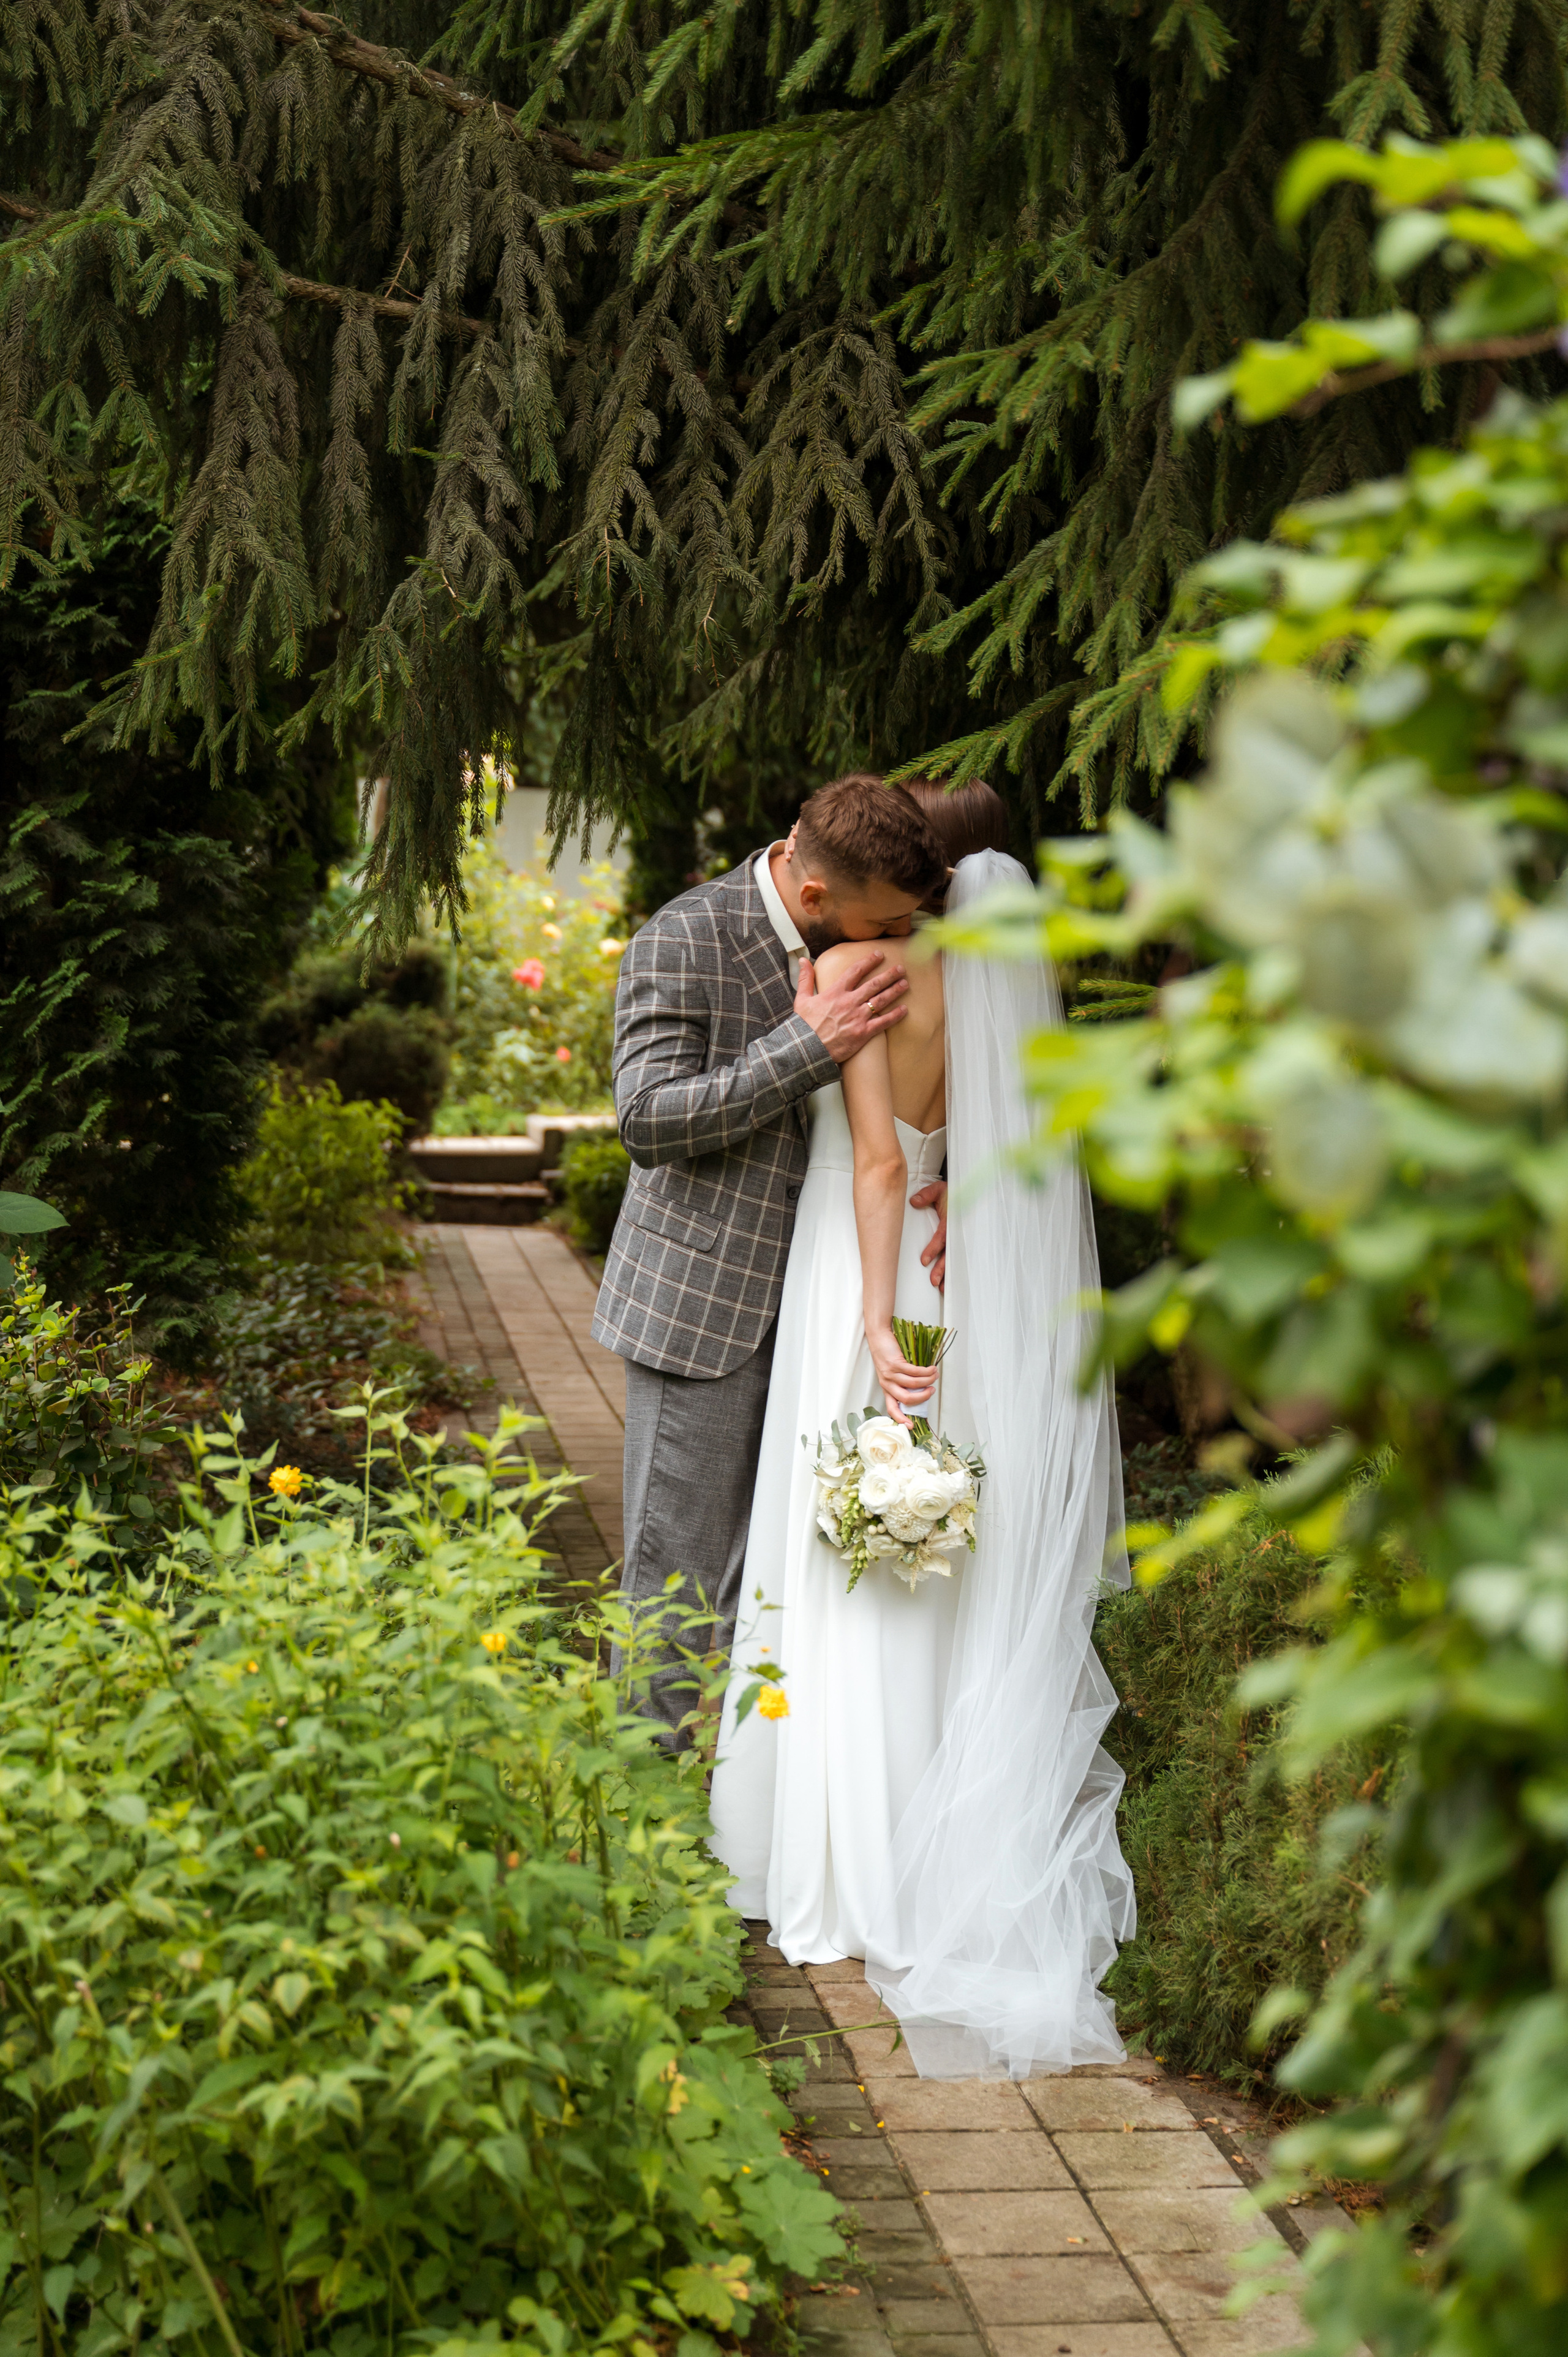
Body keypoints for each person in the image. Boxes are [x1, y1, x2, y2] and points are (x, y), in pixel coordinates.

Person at [708, 779, 1134, 2078]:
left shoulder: (859, 969)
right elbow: (967, 1155)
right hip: (957, 1274)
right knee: (919, 1540)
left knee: (841, 1542)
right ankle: (922, 1839)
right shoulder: (991, 982)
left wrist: (879, 1328)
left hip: (863, 1266)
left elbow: (880, 1164)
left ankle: (839, 1856)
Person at [593, 776, 948, 1737]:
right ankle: (636, 1822)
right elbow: (647, 1120)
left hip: (824, 1309)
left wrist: (947, 1182)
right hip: (706, 1310)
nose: (904, 936)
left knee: (782, 1586)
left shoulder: (866, 941)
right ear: (817, 894)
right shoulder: (684, 936)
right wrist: (803, 1045)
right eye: (889, 919)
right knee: (677, 1586)